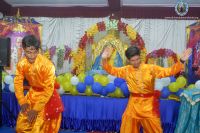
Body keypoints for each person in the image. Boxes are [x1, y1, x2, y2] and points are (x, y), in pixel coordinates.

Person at [101, 45, 192, 133]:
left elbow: (168, 71)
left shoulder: (150, 68)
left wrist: (182, 61)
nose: (136, 62)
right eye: (133, 60)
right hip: (133, 105)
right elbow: (110, 70)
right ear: (128, 60)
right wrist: (105, 59)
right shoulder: (126, 70)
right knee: (127, 127)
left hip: (148, 105)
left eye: (137, 59)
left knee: (154, 130)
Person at [14, 35, 64, 133]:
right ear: (24, 50)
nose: (32, 55)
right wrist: (22, 100)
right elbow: (18, 82)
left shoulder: (47, 65)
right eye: (28, 52)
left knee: (38, 128)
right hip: (32, 94)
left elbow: (48, 89)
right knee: (21, 127)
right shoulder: (21, 64)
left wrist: (36, 109)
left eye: (34, 52)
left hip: (46, 97)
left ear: (38, 51)